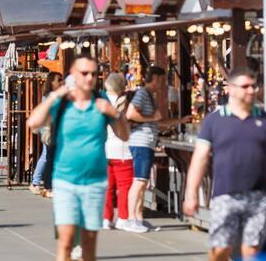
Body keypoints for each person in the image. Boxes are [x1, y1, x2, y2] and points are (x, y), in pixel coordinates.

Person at [28, 55, 129, 261]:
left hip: (95, 182)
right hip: (65, 180)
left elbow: (124, 135)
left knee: (88, 246)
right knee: (66, 242)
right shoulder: (63, 103)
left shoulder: (101, 102)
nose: (89, 78)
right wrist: (56, 96)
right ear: (74, 75)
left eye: (93, 73)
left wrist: (116, 114)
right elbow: (34, 122)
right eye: (84, 73)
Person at [184, 67, 266, 261]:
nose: (251, 90)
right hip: (225, 195)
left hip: (259, 196)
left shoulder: (262, 118)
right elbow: (200, 158)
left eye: (253, 86)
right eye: (245, 86)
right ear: (231, 88)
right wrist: (191, 194)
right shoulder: (215, 121)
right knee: (222, 248)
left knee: (251, 248)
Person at [122, 65, 189, 233]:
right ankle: (131, 218)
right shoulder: (143, 94)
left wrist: (180, 121)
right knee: (139, 181)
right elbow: (131, 114)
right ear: (156, 79)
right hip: (141, 142)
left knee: (142, 182)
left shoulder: (149, 96)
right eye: (163, 80)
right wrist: (152, 117)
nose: (164, 83)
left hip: (147, 142)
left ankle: (138, 218)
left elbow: (159, 122)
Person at [103, 73, 134, 230]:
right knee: (124, 186)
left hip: (105, 148)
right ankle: (123, 216)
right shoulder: (124, 102)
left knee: (108, 187)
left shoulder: (101, 101)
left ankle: (106, 218)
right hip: (122, 149)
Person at [31, 71, 63, 197]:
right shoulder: (50, 97)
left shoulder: (55, 95)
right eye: (58, 80)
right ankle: (36, 182)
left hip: (53, 129)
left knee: (48, 156)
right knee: (46, 156)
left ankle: (39, 181)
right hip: (49, 129)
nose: (61, 82)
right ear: (52, 82)